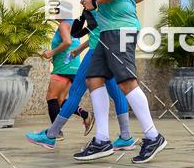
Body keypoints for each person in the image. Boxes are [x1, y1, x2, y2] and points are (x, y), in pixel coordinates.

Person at [75, 0, 167, 164]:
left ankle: (152, 136)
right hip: (108, 31)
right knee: (94, 78)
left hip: (119, 30)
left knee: (126, 81)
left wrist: (97, 1)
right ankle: (102, 140)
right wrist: (117, 3)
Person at [25, 22, 135, 150]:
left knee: (76, 91)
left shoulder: (97, 5)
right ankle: (125, 137)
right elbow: (98, 30)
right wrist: (81, 48)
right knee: (116, 91)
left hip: (98, 50)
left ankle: (51, 135)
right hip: (108, 47)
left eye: (83, 0)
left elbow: (98, 29)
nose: (83, 2)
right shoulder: (106, 9)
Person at [40, 1, 91, 137]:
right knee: (61, 101)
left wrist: (51, 52)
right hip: (73, 66)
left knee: (51, 97)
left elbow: (67, 42)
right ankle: (85, 115)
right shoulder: (73, 24)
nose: (54, 14)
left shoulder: (63, 24)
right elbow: (70, 44)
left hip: (63, 67)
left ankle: (55, 132)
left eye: (56, 11)